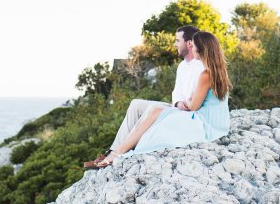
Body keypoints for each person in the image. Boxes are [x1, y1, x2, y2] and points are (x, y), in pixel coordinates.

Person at [93, 30, 231, 167]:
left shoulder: (205, 74)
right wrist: (185, 101)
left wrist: (189, 100)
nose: (192, 48)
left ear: (201, 49)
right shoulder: (216, 69)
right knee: (150, 110)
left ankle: (118, 152)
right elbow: (185, 95)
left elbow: (193, 105)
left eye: (194, 45)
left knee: (155, 112)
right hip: (215, 120)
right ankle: (117, 150)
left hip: (205, 122)